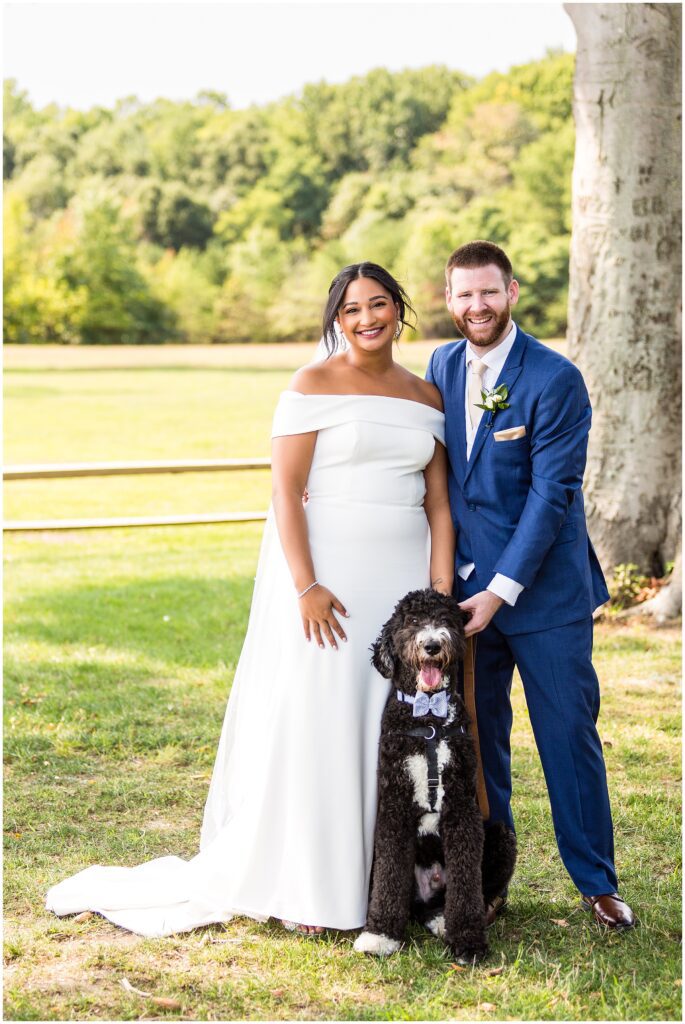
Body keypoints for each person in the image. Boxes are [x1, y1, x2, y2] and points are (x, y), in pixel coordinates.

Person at [45, 262, 454, 937]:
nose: (366, 318)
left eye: (378, 304)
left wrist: (437, 594)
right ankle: (311, 889)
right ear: (335, 319)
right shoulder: (310, 385)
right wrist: (306, 585)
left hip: (402, 583)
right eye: (351, 309)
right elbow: (285, 493)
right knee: (325, 719)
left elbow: (438, 502)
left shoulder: (424, 395)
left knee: (392, 727)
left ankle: (388, 887)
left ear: (399, 311)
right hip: (334, 582)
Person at [426, 239, 635, 931]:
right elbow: (442, 479)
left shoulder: (554, 378)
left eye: (487, 292)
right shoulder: (440, 364)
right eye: (463, 294)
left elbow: (552, 496)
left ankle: (595, 884)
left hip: (544, 598)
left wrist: (501, 589)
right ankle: (489, 880)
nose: (475, 306)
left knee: (567, 735)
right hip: (465, 596)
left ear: (511, 292)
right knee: (479, 747)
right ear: (448, 299)